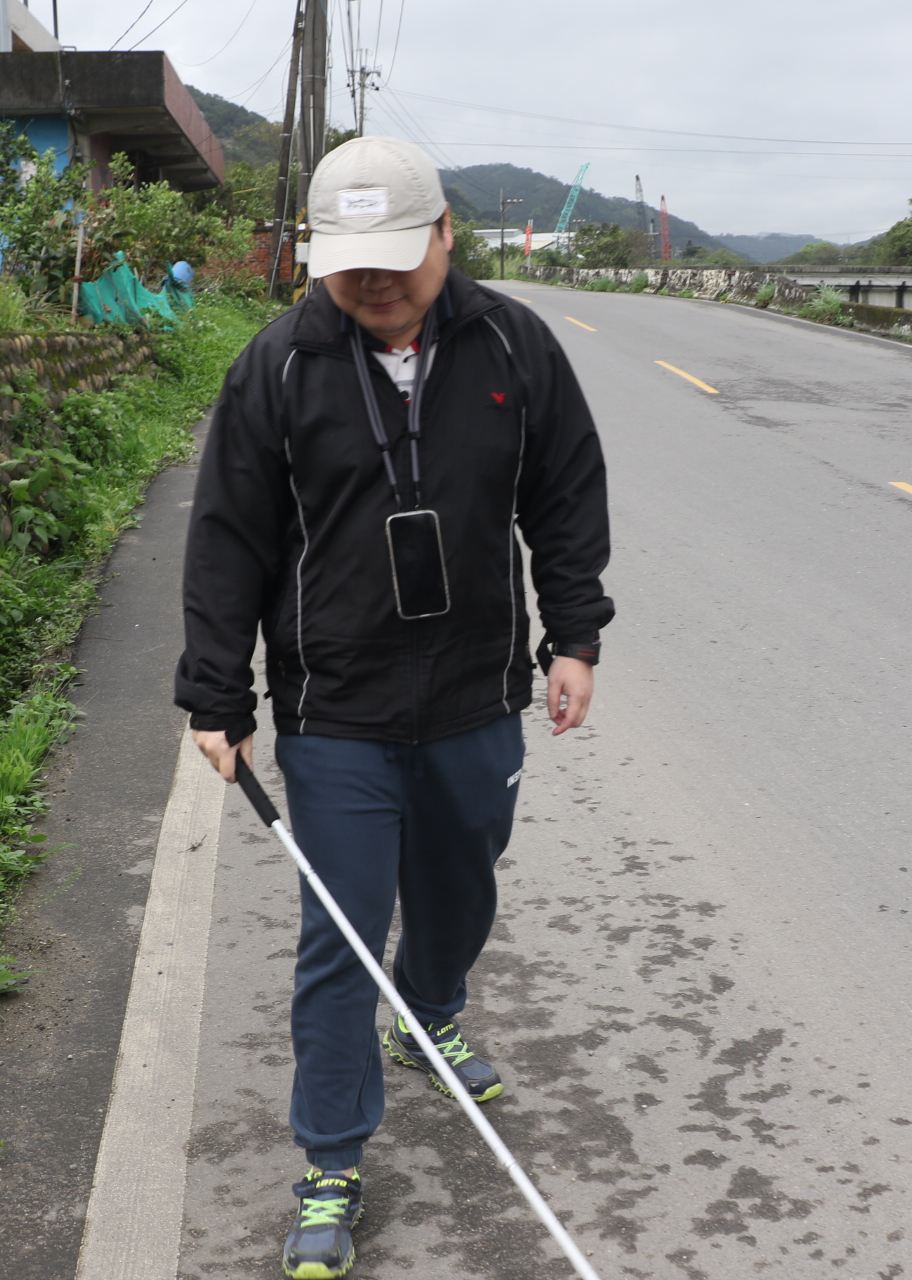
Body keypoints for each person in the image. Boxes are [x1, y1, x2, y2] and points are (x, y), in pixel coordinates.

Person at [174, 135, 612, 1279]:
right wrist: (218, 691)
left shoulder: (515, 342)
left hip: (477, 693)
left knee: (462, 887)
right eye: (348, 259)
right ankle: (331, 1156)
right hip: (338, 708)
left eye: (395, 257)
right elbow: (229, 538)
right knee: (343, 935)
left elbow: (564, 492)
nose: (372, 281)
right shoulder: (276, 368)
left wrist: (574, 636)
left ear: (445, 237)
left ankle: (432, 1009)